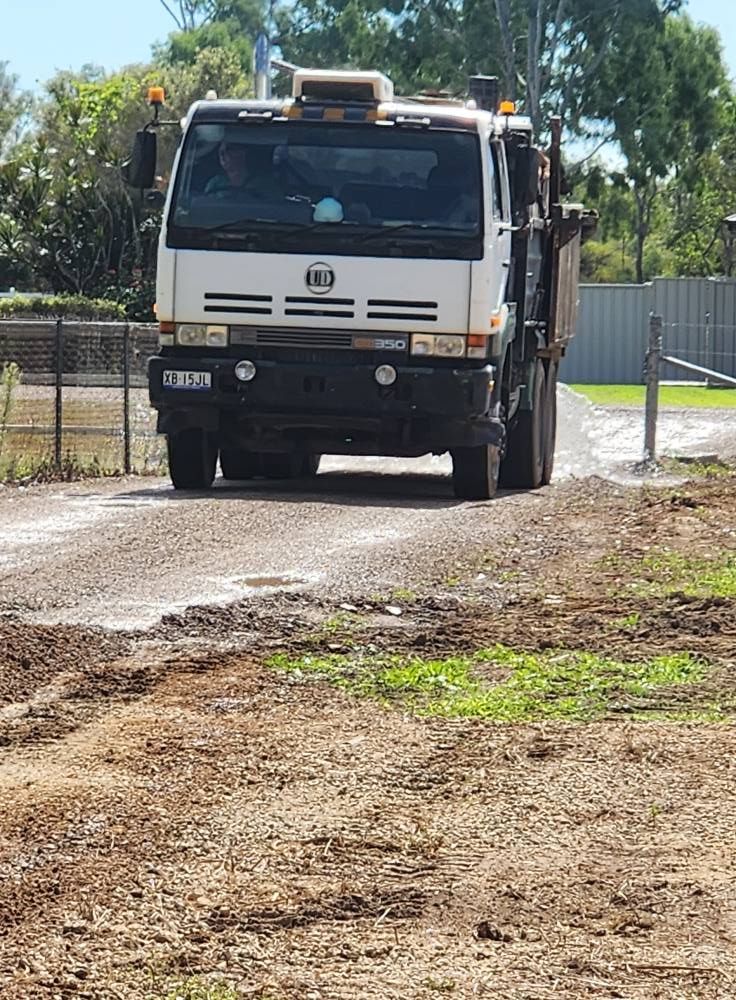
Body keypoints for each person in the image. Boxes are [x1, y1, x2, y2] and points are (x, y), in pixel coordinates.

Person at [205, 141, 283, 199]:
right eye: (220, 151)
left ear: (243, 153)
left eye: (229, 149)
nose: (222, 155)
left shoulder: (266, 185)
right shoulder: (215, 183)